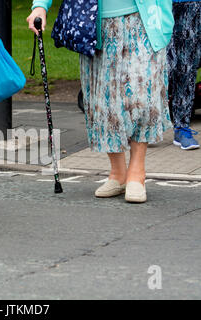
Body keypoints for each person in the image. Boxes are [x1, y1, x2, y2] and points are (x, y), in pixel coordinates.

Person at [27, 0, 174, 203]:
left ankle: (137, 172)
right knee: (104, 101)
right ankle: (118, 173)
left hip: (143, 21)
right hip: (93, 24)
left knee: (142, 97)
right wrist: (40, 6)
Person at [168, 0, 201, 150]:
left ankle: (182, 127)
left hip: (190, 4)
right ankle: (144, 127)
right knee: (159, 66)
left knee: (186, 67)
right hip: (153, 6)